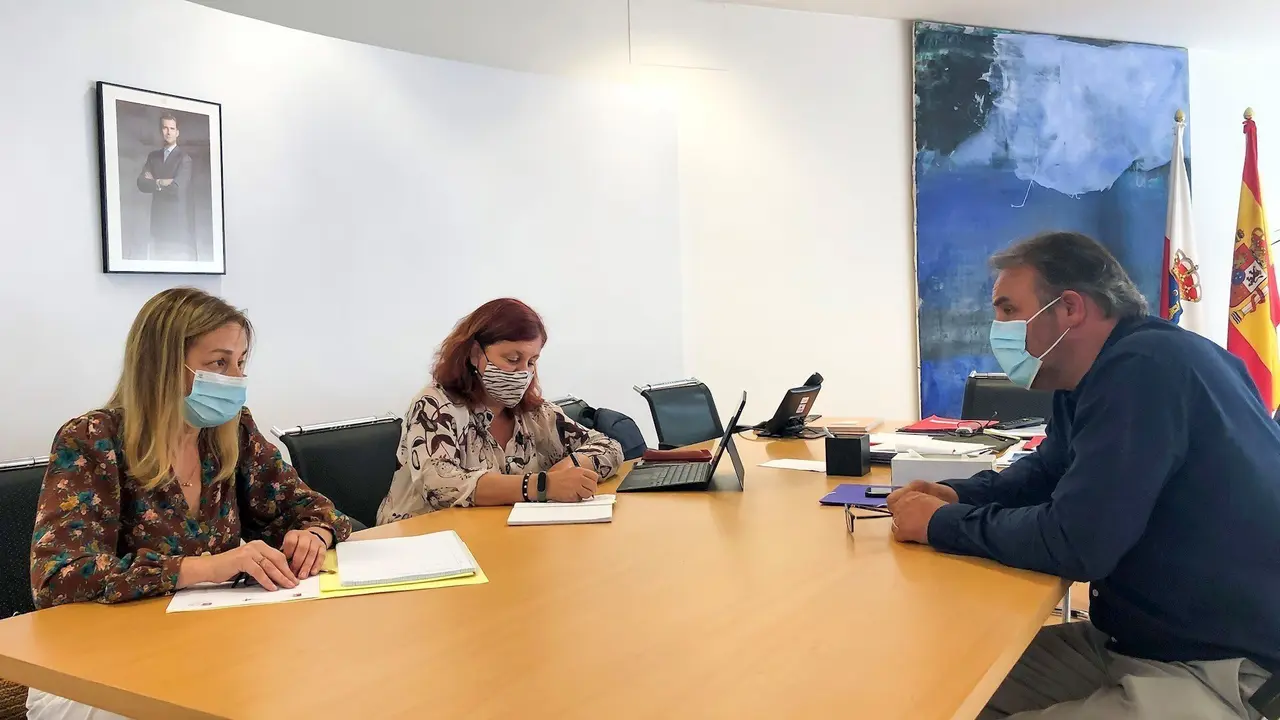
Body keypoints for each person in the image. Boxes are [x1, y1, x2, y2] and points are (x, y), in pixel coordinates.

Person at [887, 231, 1279, 719]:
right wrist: (954, 493)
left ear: (1069, 308)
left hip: (1220, 670)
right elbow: (1049, 472)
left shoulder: (1144, 371)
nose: (997, 327)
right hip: (1137, 640)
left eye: (1008, 309)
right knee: (944, 685)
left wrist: (940, 525)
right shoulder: (1097, 376)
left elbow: (1076, 543)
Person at [28, 287, 352, 720]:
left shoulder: (230, 431)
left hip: (212, 643)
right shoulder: (92, 440)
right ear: (162, 366)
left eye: (240, 362)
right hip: (100, 663)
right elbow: (59, 577)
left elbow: (313, 507)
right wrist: (204, 568)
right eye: (219, 362)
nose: (235, 378)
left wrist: (313, 533)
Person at [377, 298, 623, 524]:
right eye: (513, 359)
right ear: (475, 354)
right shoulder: (434, 405)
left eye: (531, 362)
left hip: (497, 538)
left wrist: (571, 466)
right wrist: (541, 485)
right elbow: (440, 484)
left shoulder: (533, 413)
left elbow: (609, 446)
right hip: (419, 545)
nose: (522, 372)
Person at [135, 112, 193, 257]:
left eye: (172, 129)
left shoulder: (184, 159)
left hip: (176, 225)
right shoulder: (153, 157)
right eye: (165, 128)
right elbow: (141, 183)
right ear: (161, 131)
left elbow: (176, 189)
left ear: (177, 132)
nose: (168, 132)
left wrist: (153, 182)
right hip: (157, 223)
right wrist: (161, 182)